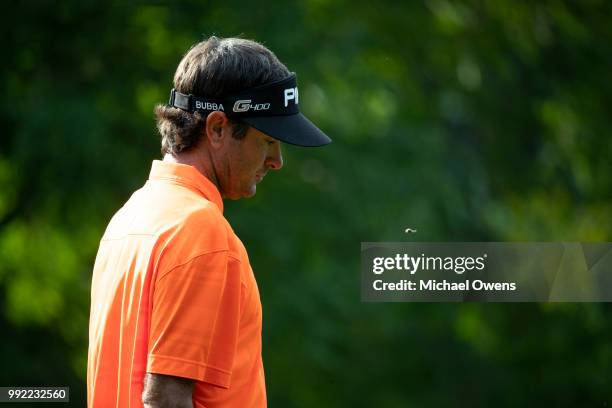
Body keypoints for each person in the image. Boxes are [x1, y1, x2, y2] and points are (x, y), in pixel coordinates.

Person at [87, 36, 331, 407]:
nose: (277, 161)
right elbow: (166, 399)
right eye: (267, 141)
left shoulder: (129, 218)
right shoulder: (202, 233)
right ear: (217, 128)